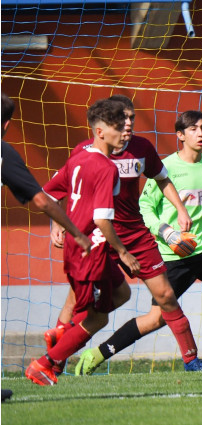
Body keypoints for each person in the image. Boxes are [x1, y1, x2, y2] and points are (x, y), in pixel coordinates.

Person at [50, 95, 202, 374]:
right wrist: (58, 225)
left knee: (165, 295)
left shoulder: (141, 148)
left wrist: (180, 209)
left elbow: (162, 178)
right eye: (121, 119)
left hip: (135, 235)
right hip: (97, 237)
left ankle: (191, 361)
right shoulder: (85, 150)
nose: (127, 124)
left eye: (131, 119)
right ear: (107, 124)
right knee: (76, 301)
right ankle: (55, 361)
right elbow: (63, 188)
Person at [77, 110, 202, 372]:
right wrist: (167, 232)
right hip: (172, 254)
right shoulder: (166, 167)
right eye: (193, 129)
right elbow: (144, 207)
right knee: (157, 318)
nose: (200, 133)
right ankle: (98, 353)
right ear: (180, 135)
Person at [24, 98, 138, 385]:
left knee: (122, 293)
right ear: (100, 132)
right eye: (117, 126)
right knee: (97, 318)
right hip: (92, 251)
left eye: (126, 124)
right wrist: (123, 252)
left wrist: (60, 225)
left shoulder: (77, 160)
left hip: (82, 248)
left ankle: (63, 333)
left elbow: (48, 196)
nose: (124, 130)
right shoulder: (106, 168)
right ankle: (44, 364)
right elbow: (101, 221)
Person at [1, 92, 92, 393]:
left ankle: (56, 347)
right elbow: (43, 198)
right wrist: (74, 231)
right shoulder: (4, 153)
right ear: (7, 124)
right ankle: (54, 355)